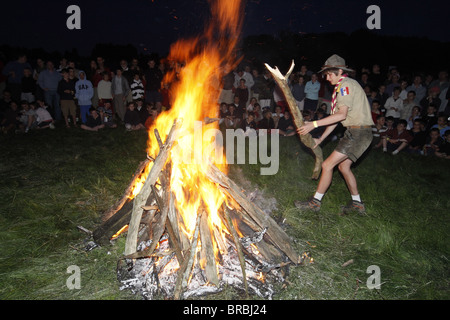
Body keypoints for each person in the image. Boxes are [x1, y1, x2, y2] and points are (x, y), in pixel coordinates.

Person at [295, 54, 374, 215]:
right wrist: (320, 139)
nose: (327, 77)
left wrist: (313, 124)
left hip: (358, 132)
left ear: (339, 71)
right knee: (343, 167)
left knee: (327, 165)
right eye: (326, 74)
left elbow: (341, 115)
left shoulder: (345, 86)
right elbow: (335, 120)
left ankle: (315, 203)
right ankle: (357, 205)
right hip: (357, 132)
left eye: (330, 73)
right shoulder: (342, 87)